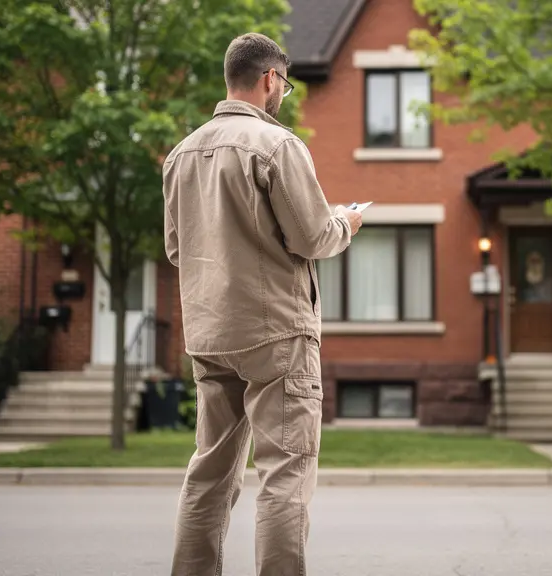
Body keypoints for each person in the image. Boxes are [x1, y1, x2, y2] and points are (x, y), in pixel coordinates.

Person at [163, 32, 362, 576]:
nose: (284, 96)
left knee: (208, 473)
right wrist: (347, 222)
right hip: (277, 332)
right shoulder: (277, 146)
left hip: (210, 332)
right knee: (285, 475)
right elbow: (313, 238)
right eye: (286, 86)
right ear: (270, 78)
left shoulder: (180, 155)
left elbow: (177, 248)